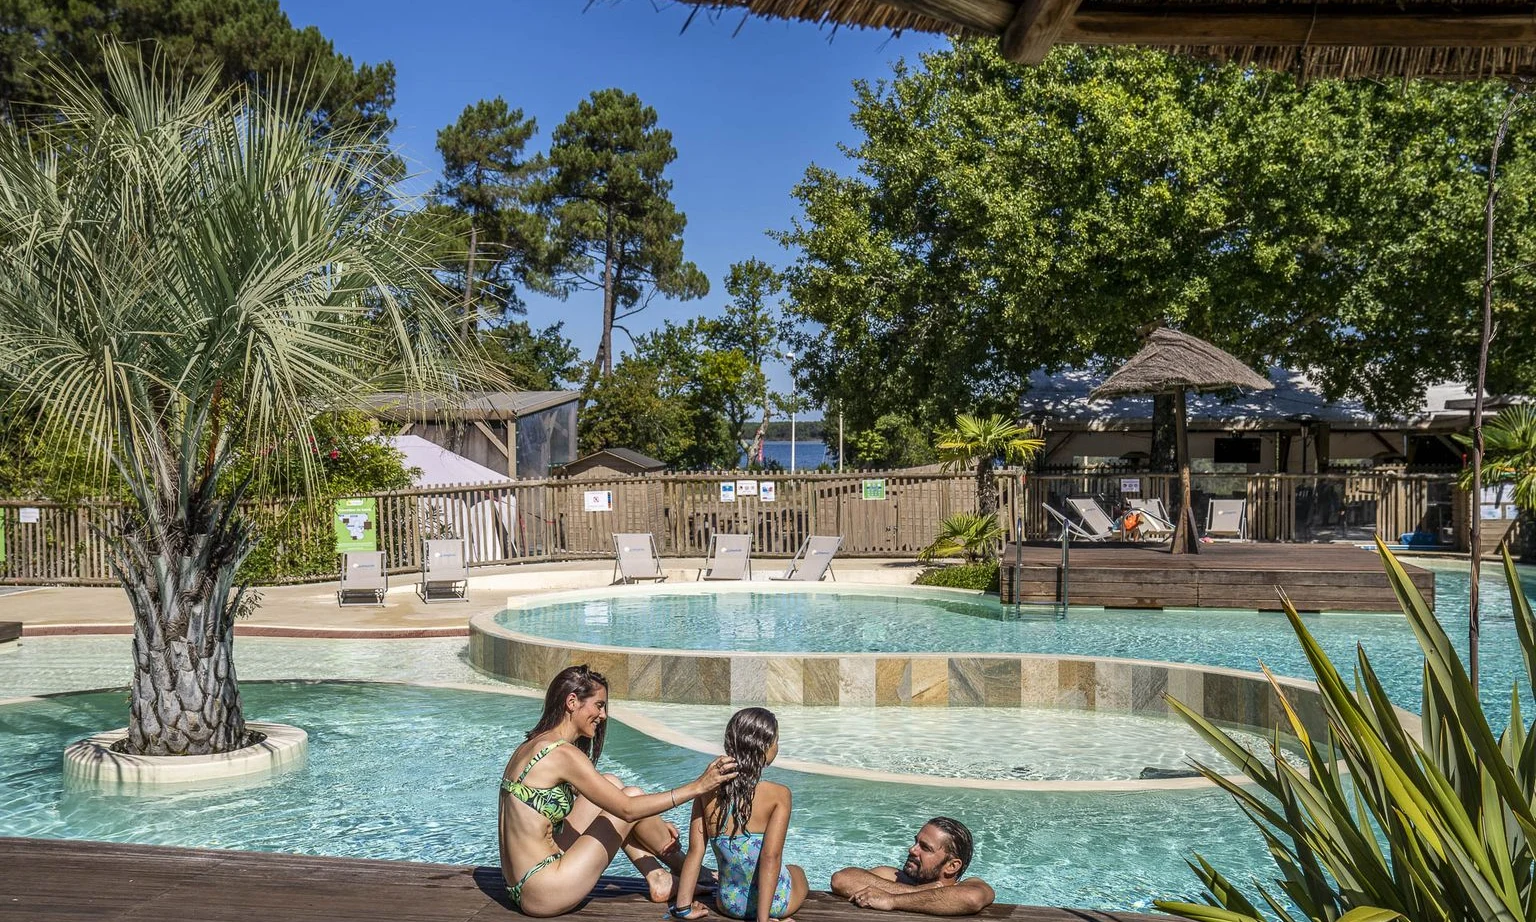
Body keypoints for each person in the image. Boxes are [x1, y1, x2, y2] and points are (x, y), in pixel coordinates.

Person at [499, 664, 738, 917]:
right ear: (572, 702)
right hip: (546, 890)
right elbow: (626, 809)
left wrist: (651, 821)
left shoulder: (534, 745)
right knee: (631, 798)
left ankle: (659, 876)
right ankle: (693, 870)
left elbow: (606, 801)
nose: (602, 716)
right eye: (599, 705)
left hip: (523, 885)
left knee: (612, 783)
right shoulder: (562, 754)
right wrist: (699, 786)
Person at [673, 707, 809, 922]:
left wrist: (684, 908)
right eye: (776, 741)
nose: (777, 747)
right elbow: (770, 857)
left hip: (729, 904)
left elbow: (695, 852)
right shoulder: (779, 795)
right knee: (797, 872)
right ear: (764, 747)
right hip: (774, 904)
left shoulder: (706, 791)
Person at [830, 818, 996, 916]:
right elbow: (842, 879)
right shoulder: (894, 876)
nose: (912, 849)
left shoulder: (969, 885)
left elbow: (971, 899)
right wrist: (921, 891)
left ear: (952, 866)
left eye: (925, 848)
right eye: (916, 841)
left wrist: (891, 900)